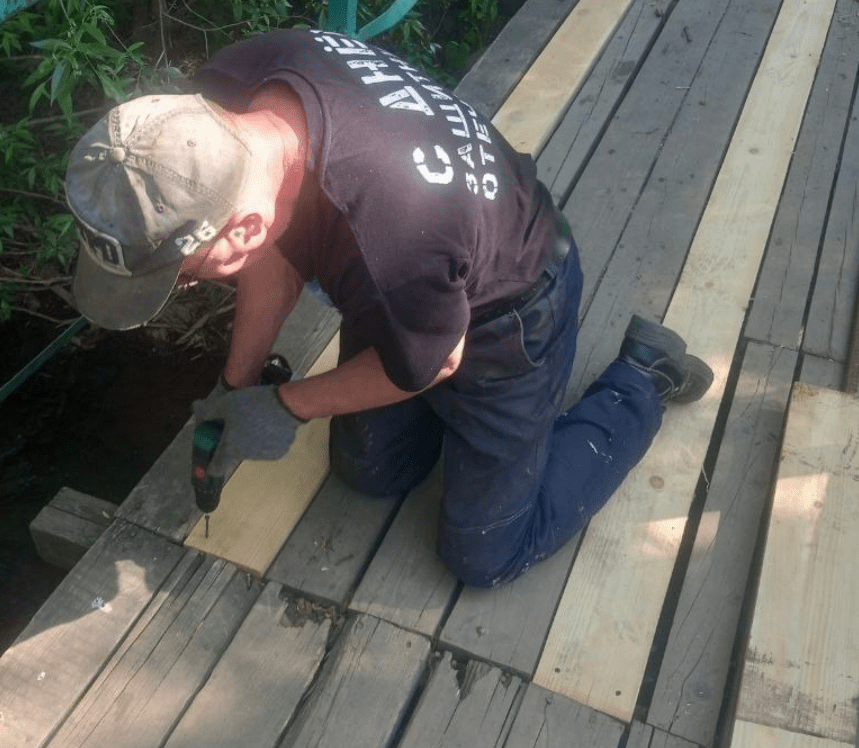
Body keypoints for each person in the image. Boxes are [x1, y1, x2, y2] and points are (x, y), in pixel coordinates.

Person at [64, 28, 713, 587]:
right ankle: (463, 432)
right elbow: (279, 246)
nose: (184, 287)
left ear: (237, 232)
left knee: (483, 553)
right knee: (367, 472)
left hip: (508, 312)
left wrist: (286, 405)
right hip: (412, 293)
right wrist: (234, 387)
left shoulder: (397, 227)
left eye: (180, 276)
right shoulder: (228, 99)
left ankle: (643, 377)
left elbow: (431, 362)